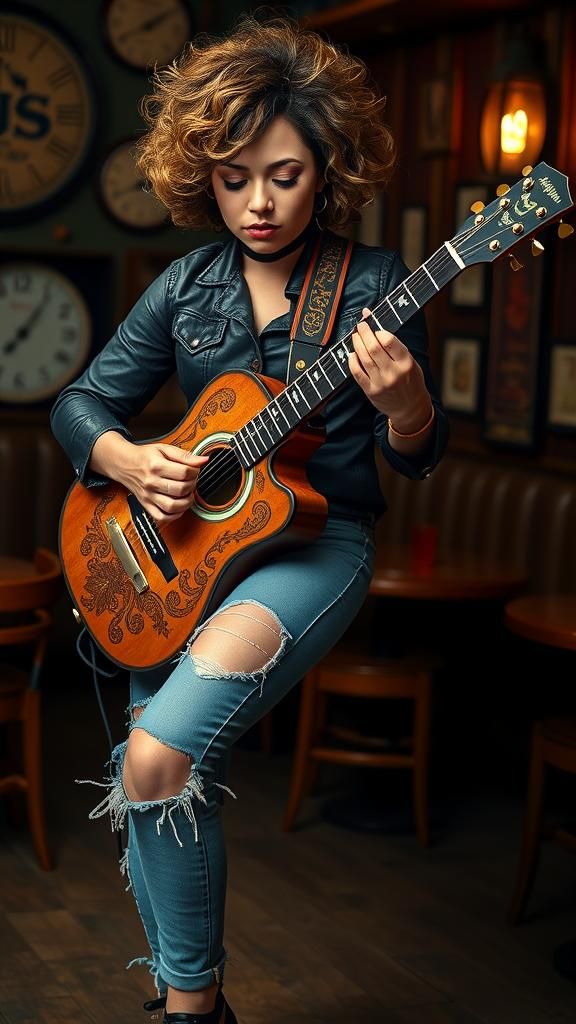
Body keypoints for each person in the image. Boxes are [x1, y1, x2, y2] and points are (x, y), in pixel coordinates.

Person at [50, 13, 449, 1024]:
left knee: (155, 755)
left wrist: (407, 407)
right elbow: (79, 404)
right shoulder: (188, 285)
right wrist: (131, 461)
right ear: (205, 176)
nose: (259, 204)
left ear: (327, 170)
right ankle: (194, 1005)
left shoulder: (374, 286)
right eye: (234, 179)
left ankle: (189, 1011)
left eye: (284, 176)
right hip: (182, 551)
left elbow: (415, 453)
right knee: (155, 776)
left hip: (315, 547)